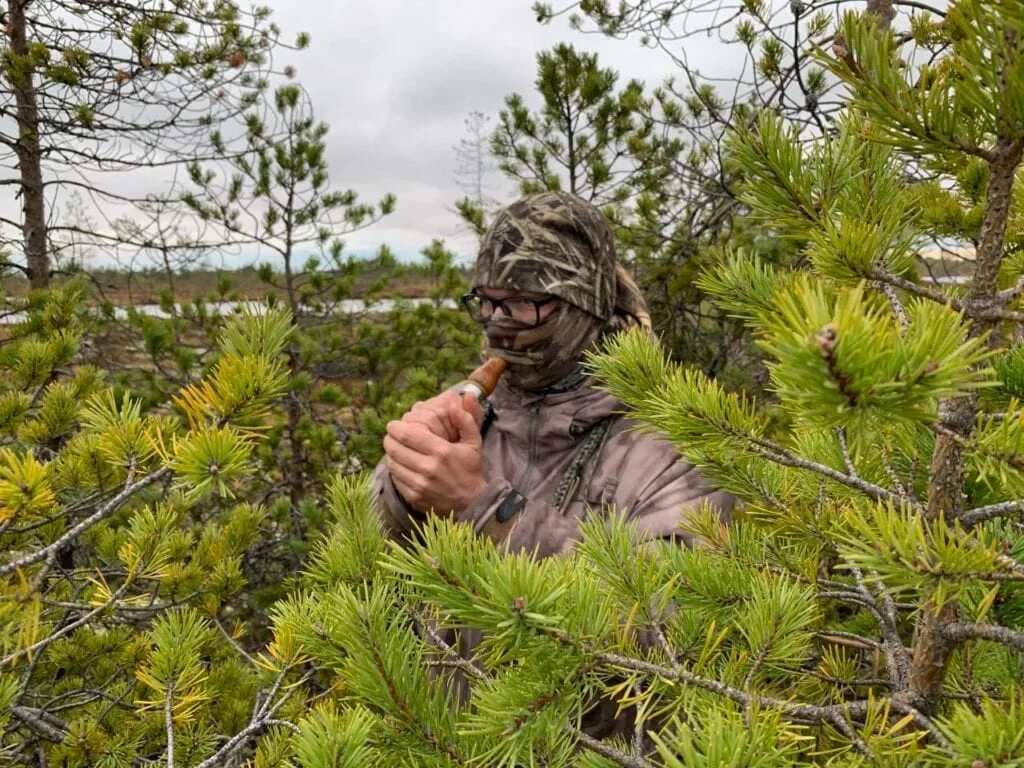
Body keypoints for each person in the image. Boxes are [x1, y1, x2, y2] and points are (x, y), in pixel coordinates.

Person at [372, 190, 734, 555]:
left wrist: (483, 511)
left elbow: (665, 602)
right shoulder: (467, 414)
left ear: (583, 307)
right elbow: (357, 569)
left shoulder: (675, 447)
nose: (497, 320)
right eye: (486, 300)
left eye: (520, 301)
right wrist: (406, 486)